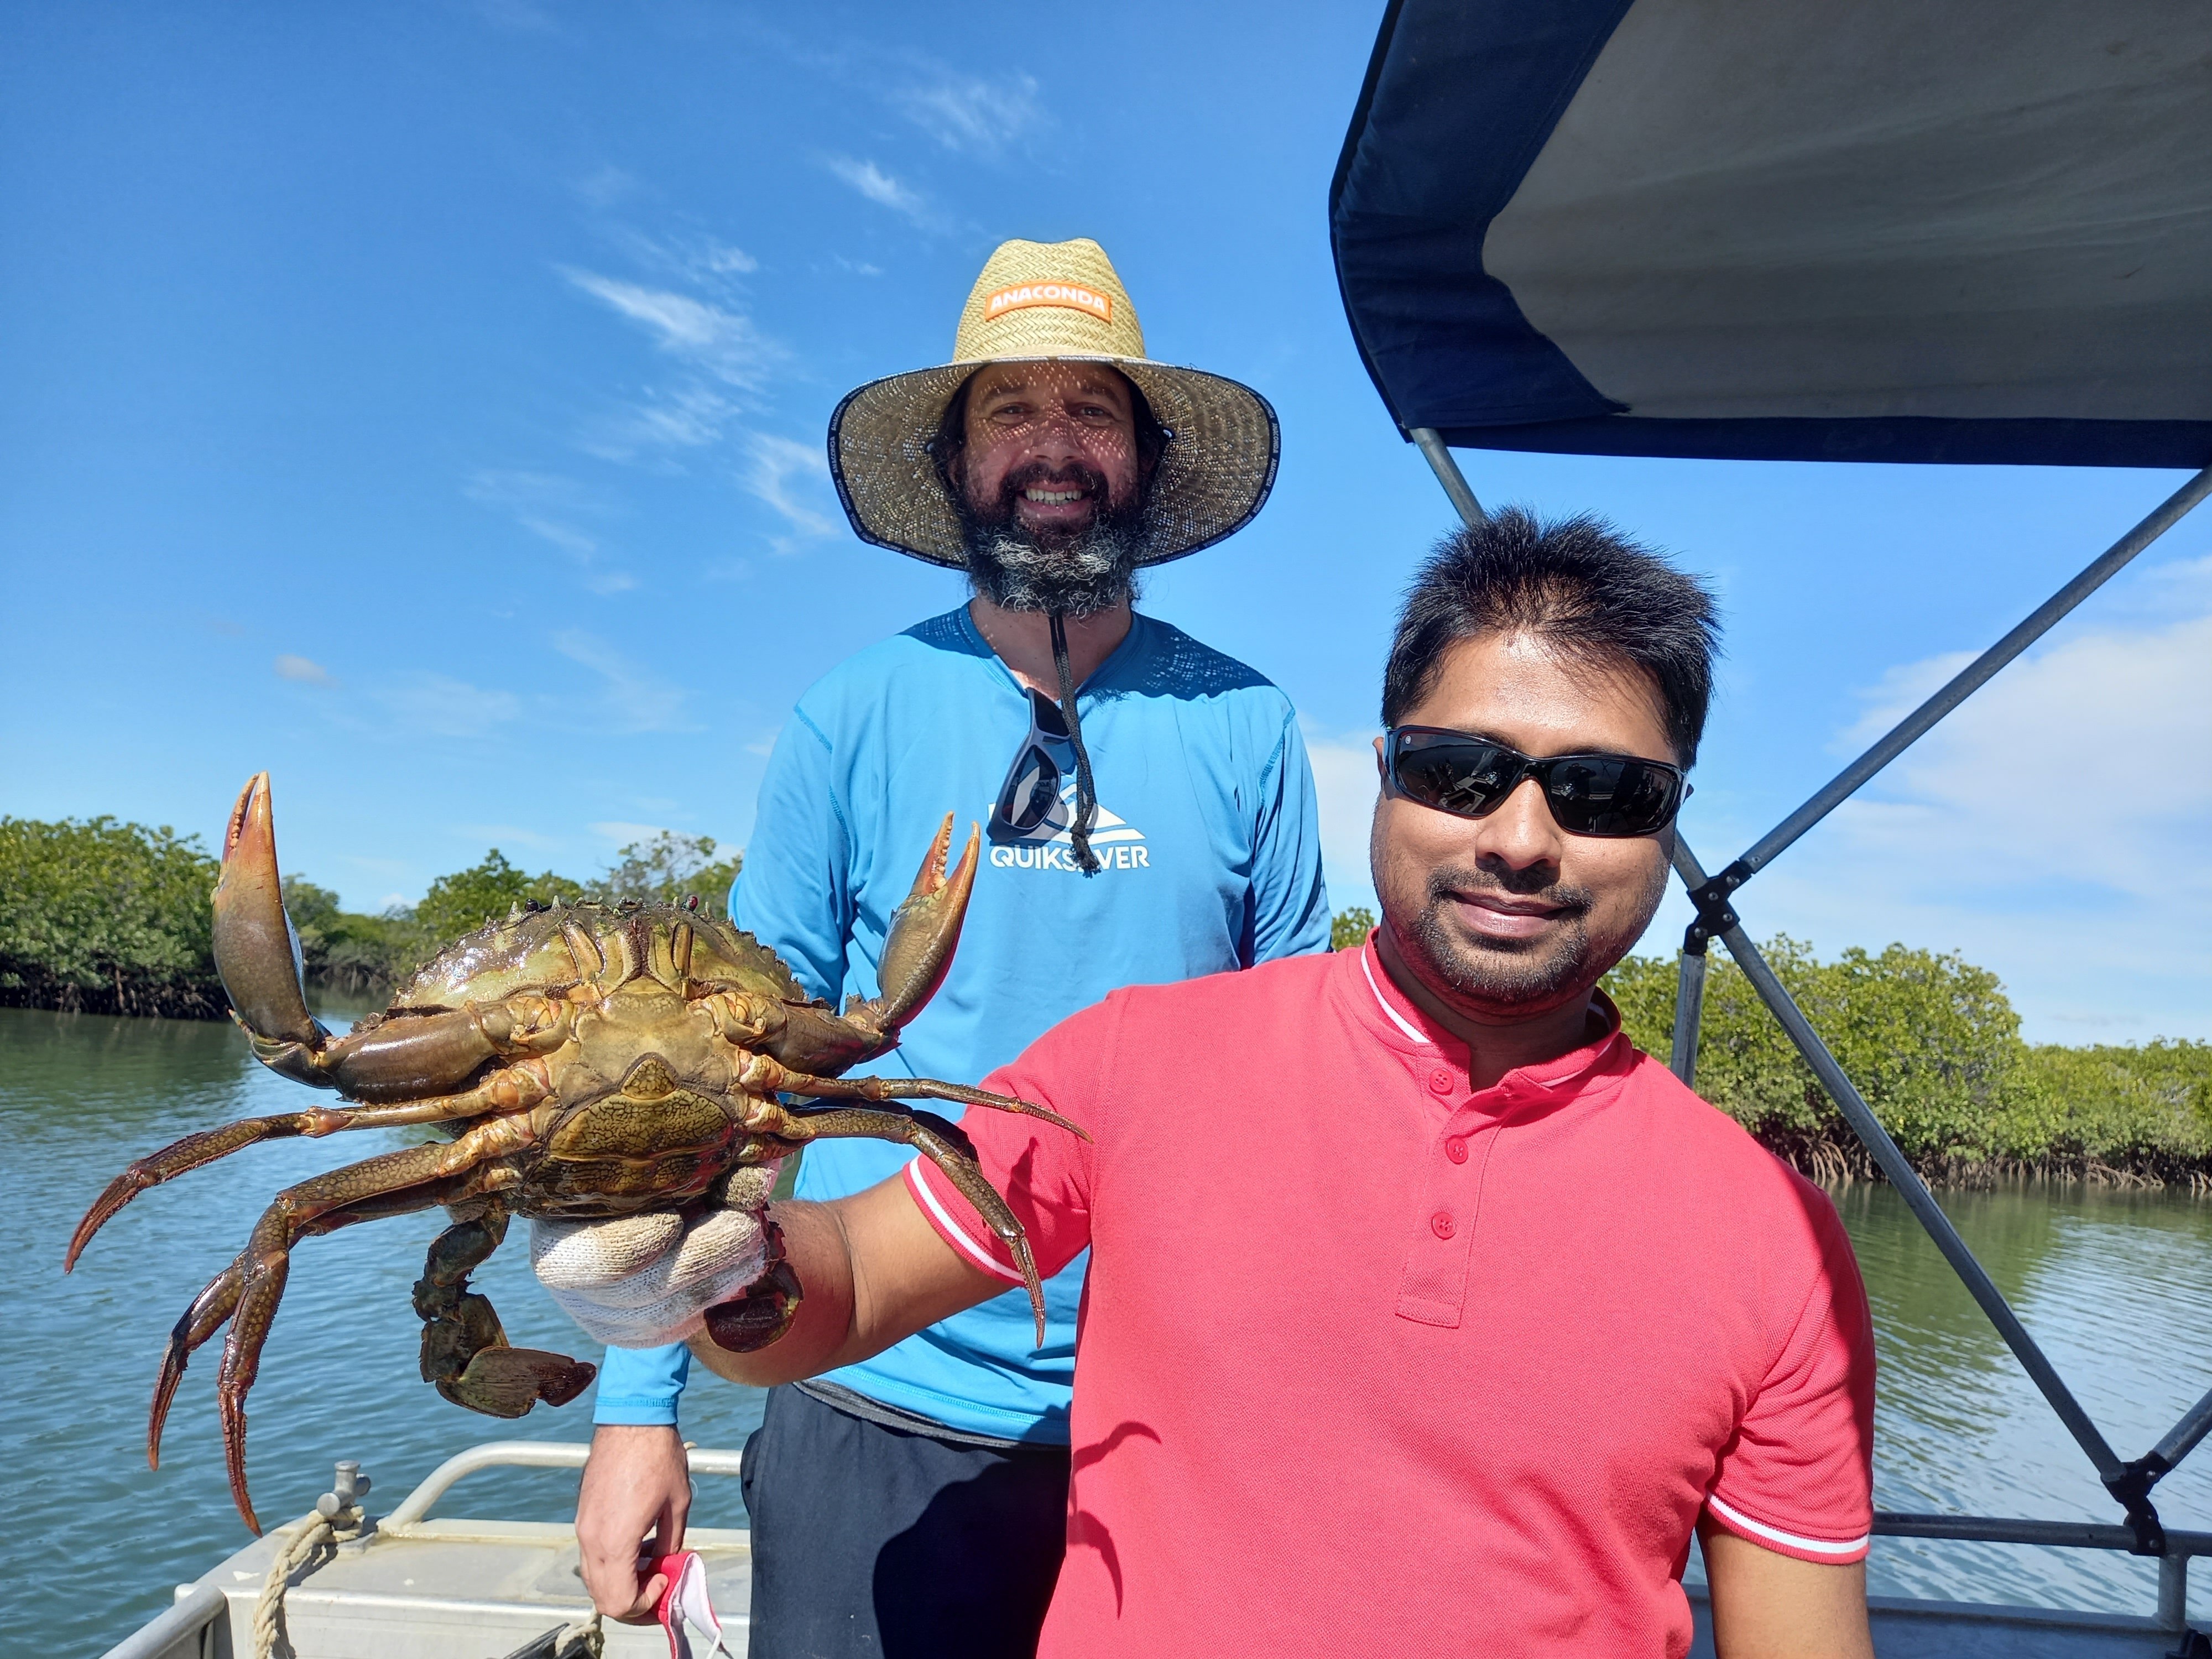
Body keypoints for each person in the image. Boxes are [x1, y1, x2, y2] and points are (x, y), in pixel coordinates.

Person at [677, 510, 1880, 1657]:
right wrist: (675, 1244)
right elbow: (849, 1284)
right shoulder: (1130, 1063)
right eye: (1461, 771)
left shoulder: (1775, 1242)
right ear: (1382, 771)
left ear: (1670, 819)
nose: (1518, 838)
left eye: (1603, 793)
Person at [560, 237, 1332, 1652]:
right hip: (872, 1383)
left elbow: (1299, 1088)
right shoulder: (851, 712)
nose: (1053, 448)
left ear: (1147, 457)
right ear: (958, 458)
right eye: (1008, 411)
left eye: (1091, 410)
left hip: (1160, 1413)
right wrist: (634, 1412)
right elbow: (731, 1080)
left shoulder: (1251, 724)